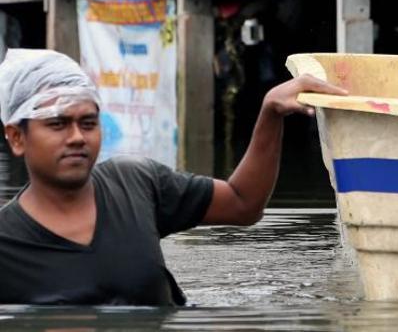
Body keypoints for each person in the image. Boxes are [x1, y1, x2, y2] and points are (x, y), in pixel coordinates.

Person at [0, 49, 347, 306]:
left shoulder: (134, 183)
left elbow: (243, 204)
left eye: (88, 123)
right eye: (57, 124)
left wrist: (270, 112)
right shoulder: (7, 243)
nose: (77, 136)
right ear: (17, 137)